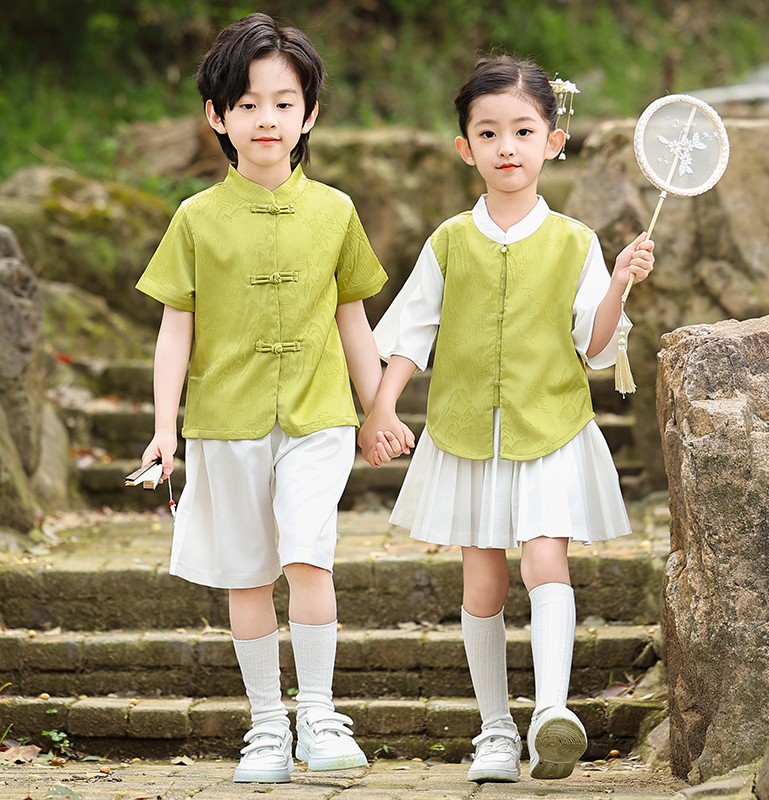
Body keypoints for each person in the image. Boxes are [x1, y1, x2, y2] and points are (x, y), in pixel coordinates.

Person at [358, 55, 654, 783]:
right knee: (482, 585)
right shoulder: (449, 242)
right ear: (466, 148)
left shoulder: (576, 242)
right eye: (488, 133)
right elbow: (410, 334)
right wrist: (383, 405)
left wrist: (618, 282)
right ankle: (494, 729)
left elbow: (593, 346)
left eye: (524, 130)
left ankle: (552, 712)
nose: (507, 146)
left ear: (553, 141)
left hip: (548, 426)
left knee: (544, 560)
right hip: (467, 434)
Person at [135, 13, 411, 785]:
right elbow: (173, 332)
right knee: (248, 576)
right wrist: (165, 429)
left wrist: (377, 408)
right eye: (248, 104)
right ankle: (265, 725)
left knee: (306, 555)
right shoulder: (195, 218)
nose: (266, 119)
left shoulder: (335, 212)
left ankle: (318, 713)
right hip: (225, 421)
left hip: (319, 418)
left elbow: (353, 319)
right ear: (217, 117)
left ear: (309, 114)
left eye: (283, 103)